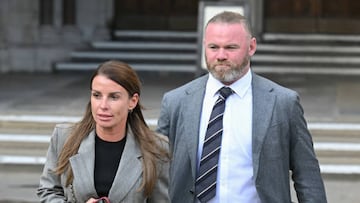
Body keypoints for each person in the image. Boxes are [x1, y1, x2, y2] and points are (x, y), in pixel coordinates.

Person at [157, 11, 327, 203]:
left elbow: (307, 174)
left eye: (230, 47)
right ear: (204, 46)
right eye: (213, 47)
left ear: (251, 47)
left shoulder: (283, 103)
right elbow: (156, 172)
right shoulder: (176, 102)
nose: (221, 55)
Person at [37, 60, 170, 202]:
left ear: (133, 101)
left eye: (114, 97)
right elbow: (48, 191)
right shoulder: (64, 137)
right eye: (97, 95)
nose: (103, 105)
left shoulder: (157, 149)